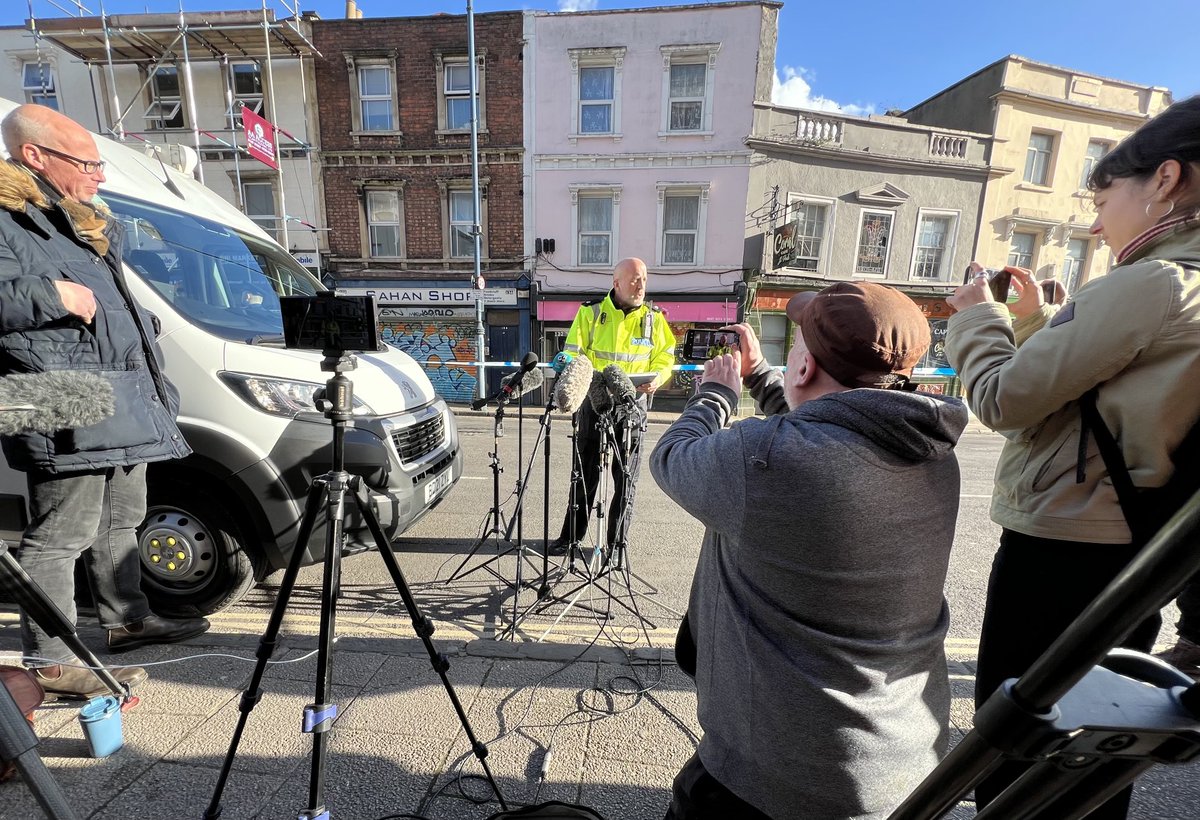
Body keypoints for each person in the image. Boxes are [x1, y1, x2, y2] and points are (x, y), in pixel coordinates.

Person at [945, 95, 1200, 817]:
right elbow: (1095, 395)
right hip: (1132, 545)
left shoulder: (1155, 281)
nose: (1096, 219)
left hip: (1062, 547)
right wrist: (1033, 323)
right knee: (1092, 744)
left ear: (1165, 179)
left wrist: (975, 317)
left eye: (1104, 193)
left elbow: (1001, 400)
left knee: (1020, 737)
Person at [651, 282, 968, 820]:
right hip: (901, 760)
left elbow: (674, 457)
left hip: (778, 774)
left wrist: (716, 394)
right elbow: (827, 427)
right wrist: (759, 376)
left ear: (802, 369)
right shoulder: (933, 456)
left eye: (797, 344)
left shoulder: (765, 458)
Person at [0, 105, 209, 700]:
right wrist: (47, 294)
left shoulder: (79, 220)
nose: (101, 175)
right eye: (88, 162)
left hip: (118, 394)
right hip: (59, 400)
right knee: (60, 533)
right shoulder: (7, 217)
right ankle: (49, 661)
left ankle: (127, 621)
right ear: (36, 156)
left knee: (123, 516)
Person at [549, 257, 675, 555]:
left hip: (632, 406)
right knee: (584, 473)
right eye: (634, 278)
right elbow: (573, 355)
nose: (641, 284)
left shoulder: (654, 318)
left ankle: (616, 544)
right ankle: (570, 538)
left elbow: (666, 356)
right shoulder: (590, 312)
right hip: (594, 402)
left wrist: (657, 378)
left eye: (644, 278)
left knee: (626, 477)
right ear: (616, 282)